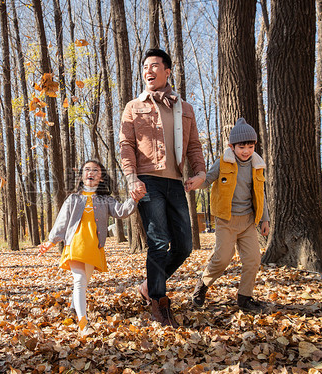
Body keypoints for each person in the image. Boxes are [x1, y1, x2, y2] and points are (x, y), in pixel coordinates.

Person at [119, 48, 206, 326]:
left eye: (155, 65)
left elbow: (193, 145)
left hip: (176, 182)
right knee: (158, 242)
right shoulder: (134, 107)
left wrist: (201, 172)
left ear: (167, 71)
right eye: (145, 66)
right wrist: (131, 178)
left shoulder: (185, 109)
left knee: (184, 245)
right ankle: (158, 301)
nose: (148, 71)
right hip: (147, 181)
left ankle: (147, 286)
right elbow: (126, 146)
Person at [38, 160, 142, 329]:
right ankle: (83, 324)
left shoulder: (105, 200)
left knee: (83, 283)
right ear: (81, 175)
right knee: (79, 280)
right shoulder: (73, 198)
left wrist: (134, 199)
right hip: (75, 245)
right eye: (87, 170)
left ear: (101, 178)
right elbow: (62, 222)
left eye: (95, 170)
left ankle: (73, 309)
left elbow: (121, 211)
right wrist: (51, 242)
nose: (90, 173)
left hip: (94, 248)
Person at [191, 118, 270, 313]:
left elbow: (261, 194)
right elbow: (207, 179)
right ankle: (202, 284)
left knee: (253, 259)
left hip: (248, 221)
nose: (246, 151)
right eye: (241, 146)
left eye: (250, 146)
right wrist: (195, 182)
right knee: (223, 258)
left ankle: (245, 298)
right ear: (231, 146)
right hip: (226, 220)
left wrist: (265, 219)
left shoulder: (257, 165)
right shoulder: (223, 163)